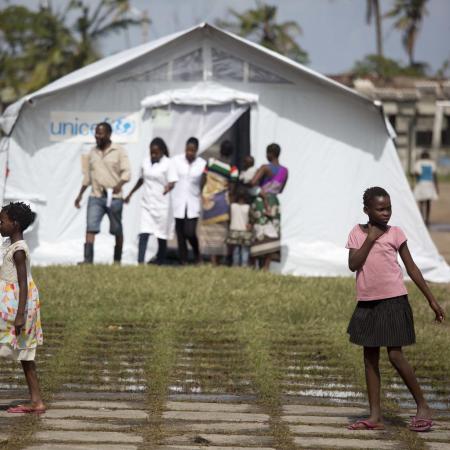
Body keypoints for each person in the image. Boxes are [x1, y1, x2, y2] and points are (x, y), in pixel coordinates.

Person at [346, 186, 445, 432]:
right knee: (370, 358)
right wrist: (370, 239)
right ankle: (375, 416)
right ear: (366, 210)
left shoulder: (396, 233)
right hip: (368, 303)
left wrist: (431, 299)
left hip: (394, 301)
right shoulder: (357, 234)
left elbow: (411, 268)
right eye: (380, 209)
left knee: (395, 354)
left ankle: (423, 406)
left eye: (388, 208)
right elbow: (353, 264)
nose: (386, 213)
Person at [0, 202, 45, 414]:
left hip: (19, 307)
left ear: (15, 224)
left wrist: (20, 316)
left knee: (26, 354)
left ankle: (37, 402)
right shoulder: (9, 244)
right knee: (25, 356)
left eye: (2, 221)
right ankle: (37, 401)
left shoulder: (19, 251)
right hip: (9, 306)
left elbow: (23, 284)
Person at [74, 122, 131, 264]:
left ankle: (117, 260)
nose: (97, 136)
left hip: (115, 197)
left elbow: (127, 172)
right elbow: (87, 176)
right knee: (90, 227)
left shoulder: (119, 151)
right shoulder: (92, 152)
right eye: (96, 133)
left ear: (109, 134)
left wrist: (119, 185)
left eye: (100, 133)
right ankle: (88, 260)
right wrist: (80, 195)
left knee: (117, 229)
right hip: (96, 196)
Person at [125, 137, 178, 265]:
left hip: (162, 206)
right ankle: (140, 262)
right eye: (151, 152)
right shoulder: (145, 162)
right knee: (144, 233)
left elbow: (173, 181)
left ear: (161, 151)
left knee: (161, 235)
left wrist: (168, 187)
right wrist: (130, 194)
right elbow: (141, 179)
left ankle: (160, 262)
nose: (153, 155)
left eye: (156, 153)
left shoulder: (168, 163)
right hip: (147, 204)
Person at [250, 143, 288, 271]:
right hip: (275, 203)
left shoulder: (265, 168)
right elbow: (281, 190)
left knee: (260, 231)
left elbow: (253, 182)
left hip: (262, 201)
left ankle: (256, 265)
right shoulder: (285, 171)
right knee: (273, 232)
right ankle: (266, 266)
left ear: (269, 154)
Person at [200, 140, 238, 265]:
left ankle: (213, 260)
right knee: (222, 233)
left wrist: (202, 194)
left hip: (208, 201)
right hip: (222, 203)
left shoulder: (210, 162)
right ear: (231, 153)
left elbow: (203, 179)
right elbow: (232, 190)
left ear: (220, 150)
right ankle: (220, 259)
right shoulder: (232, 170)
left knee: (210, 232)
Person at [171, 137, 206, 265]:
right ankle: (183, 260)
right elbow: (172, 177)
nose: (189, 153)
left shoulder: (202, 164)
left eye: (192, 150)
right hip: (178, 200)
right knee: (180, 233)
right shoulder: (176, 160)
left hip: (193, 201)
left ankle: (197, 253)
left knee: (190, 232)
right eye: (188, 150)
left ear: (196, 150)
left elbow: (204, 181)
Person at [226, 187, 253, 266]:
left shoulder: (232, 206)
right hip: (244, 231)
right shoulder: (248, 207)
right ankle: (244, 265)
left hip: (234, 230)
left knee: (236, 250)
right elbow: (252, 219)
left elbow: (229, 218)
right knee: (245, 250)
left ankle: (235, 265)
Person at [413, 150, 438, 226]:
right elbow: (434, 175)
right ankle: (427, 219)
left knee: (421, 203)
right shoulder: (432, 163)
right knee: (428, 203)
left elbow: (417, 173)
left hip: (421, 183)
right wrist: (437, 187)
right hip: (429, 184)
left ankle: (421, 218)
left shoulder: (418, 163)